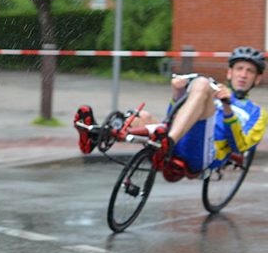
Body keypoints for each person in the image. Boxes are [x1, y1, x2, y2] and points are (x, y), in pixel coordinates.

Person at [76, 46, 266, 174]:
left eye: (250, 71)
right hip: (177, 136)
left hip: (206, 153)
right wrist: (178, 93)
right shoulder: (215, 91)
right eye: (239, 68)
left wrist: (227, 109)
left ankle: (168, 142)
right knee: (143, 116)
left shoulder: (257, 113)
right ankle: (96, 135)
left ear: (257, 79)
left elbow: (240, 146)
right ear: (229, 72)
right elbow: (172, 117)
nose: (243, 75)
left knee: (201, 83)